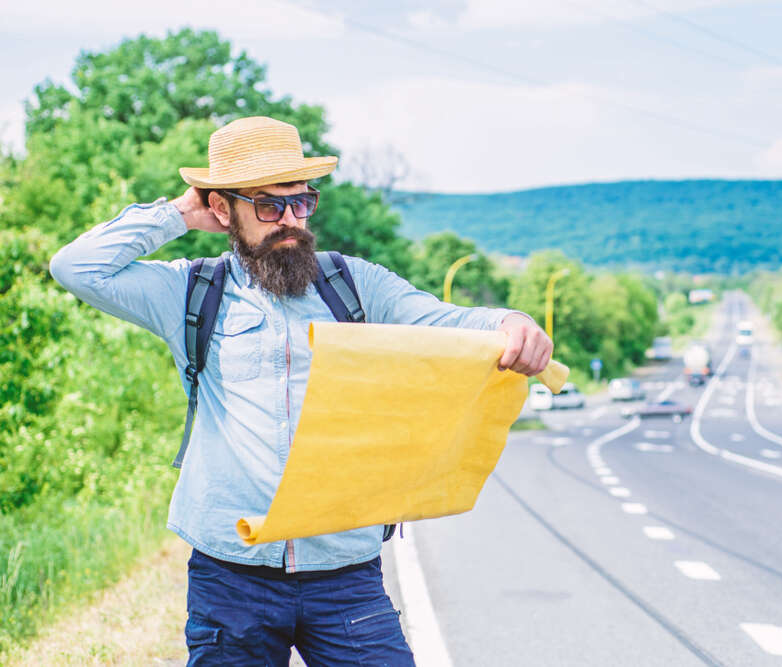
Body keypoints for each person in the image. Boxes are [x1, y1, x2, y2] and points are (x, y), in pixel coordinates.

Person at [50, 116, 553, 665]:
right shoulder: (189, 293)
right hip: (230, 578)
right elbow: (76, 267)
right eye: (269, 206)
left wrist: (511, 321)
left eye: (301, 202)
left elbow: (442, 319)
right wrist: (179, 213)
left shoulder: (354, 286)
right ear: (223, 210)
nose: (291, 221)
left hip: (345, 576)